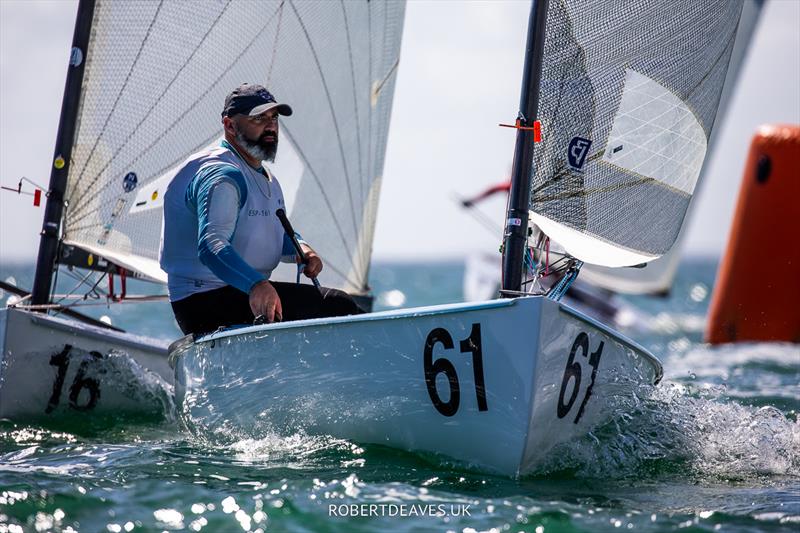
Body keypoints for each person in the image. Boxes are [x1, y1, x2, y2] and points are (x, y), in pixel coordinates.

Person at [160, 83, 362, 335]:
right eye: (259, 118)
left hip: (236, 293)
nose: (270, 125)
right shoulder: (221, 175)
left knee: (336, 307)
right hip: (205, 301)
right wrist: (256, 285)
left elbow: (270, 231)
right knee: (339, 307)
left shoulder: (263, 177)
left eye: (273, 118)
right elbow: (211, 245)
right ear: (230, 125)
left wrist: (302, 249)